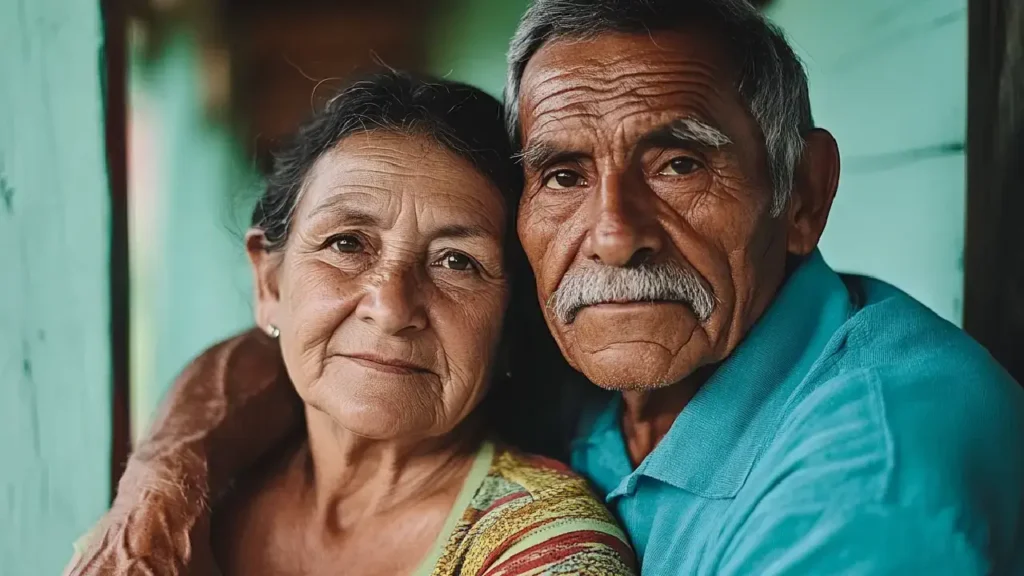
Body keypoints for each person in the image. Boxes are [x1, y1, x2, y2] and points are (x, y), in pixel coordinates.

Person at [72, 0, 1024, 574]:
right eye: (563, 173)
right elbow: (329, 350)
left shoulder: (871, 486)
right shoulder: (627, 342)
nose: (612, 233)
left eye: (679, 164)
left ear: (802, 192)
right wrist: (166, 477)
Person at [65, 72, 635, 576]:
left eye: (457, 261)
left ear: (512, 321)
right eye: (347, 244)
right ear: (269, 285)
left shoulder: (548, 546)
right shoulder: (177, 518)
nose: (390, 306)